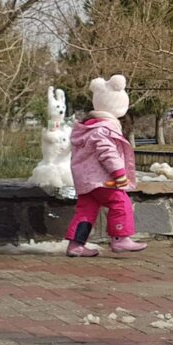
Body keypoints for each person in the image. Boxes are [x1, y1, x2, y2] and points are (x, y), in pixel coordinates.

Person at [66, 74, 147, 257]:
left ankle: (76, 245)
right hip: (102, 179)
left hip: (86, 180)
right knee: (121, 202)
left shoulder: (87, 128)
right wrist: (119, 173)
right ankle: (120, 239)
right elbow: (107, 153)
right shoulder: (105, 129)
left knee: (86, 210)